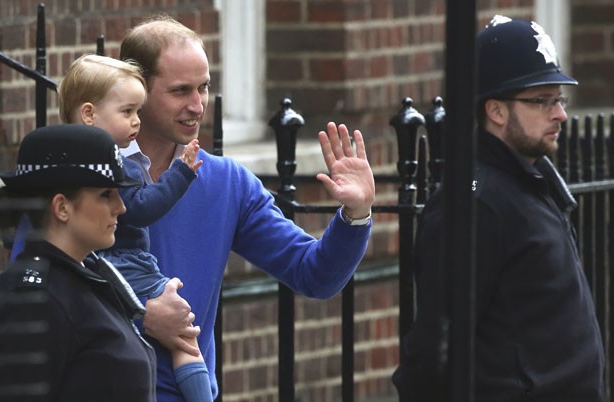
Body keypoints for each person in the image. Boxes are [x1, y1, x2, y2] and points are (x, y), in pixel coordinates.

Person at [118, 14, 376, 401]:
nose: (197, 105)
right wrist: (138, 312)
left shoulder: (226, 183)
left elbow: (315, 275)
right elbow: (48, 285)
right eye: (180, 90)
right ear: (137, 89)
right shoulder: (87, 173)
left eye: (203, 88)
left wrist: (356, 215)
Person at [392, 15, 605, 401]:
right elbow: (434, 346)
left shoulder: (530, 180)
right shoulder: (477, 201)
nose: (560, 114)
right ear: (496, 111)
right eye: (542, 101)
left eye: (559, 99)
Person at [57, 53, 212, 402]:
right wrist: (182, 174)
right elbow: (141, 209)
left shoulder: (64, 160)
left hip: (101, 264)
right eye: (128, 112)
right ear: (89, 114)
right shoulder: (115, 165)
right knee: (185, 339)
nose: (137, 121)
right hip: (125, 263)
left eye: (138, 112)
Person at [0, 124, 155, 401]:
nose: (121, 207)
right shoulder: (35, 300)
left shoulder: (88, 275)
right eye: (106, 194)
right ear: (62, 207)